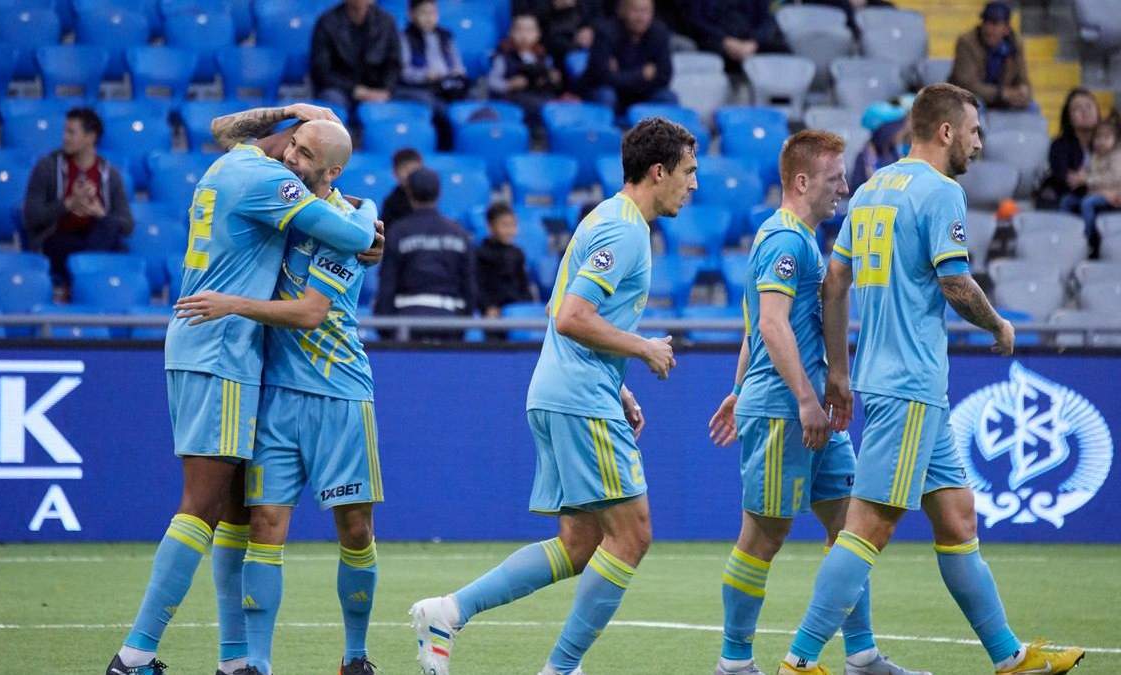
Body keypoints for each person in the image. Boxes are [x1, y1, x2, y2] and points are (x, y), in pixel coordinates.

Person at [775, 83, 1085, 675]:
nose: (978, 143)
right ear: (946, 132)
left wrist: (840, 369)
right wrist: (998, 324)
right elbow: (955, 283)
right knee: (867, 529)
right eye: (973, 131)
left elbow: (834, 285)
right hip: (909, 384)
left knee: (957, 517)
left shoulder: (871, 188)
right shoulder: (942, 191)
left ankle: (1009, 657)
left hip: (902, 384)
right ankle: (800, 661)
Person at [409, 117, 695, 675]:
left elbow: (557, 308)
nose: (694, 184)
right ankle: (560, 669)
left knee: (579, 543)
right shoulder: (625, 231)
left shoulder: (604, 218)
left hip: (567, 391)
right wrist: (641, 348)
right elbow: (570, 317)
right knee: (632, 535)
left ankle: (448, 611)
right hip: (578, 398)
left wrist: (618, 383)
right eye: (688, 171)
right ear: (659, 171)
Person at [105, 107, 380, 675]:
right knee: (203, 505)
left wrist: (351, 205)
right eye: (293, 143)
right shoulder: (270, 183)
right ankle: (135, 655)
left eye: (305, 151)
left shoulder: (233, 164)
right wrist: (368, 215)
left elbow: (226, 130)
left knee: (234, 509)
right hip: (221, 349)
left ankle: (237, 661)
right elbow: (354, 235)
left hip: (224, 352)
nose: (291, 156)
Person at [706, 130, 928, 675]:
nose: (844, 189)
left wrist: (739, 388)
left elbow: (756, 330)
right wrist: (805, 399)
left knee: (850, 529)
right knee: (764, 536)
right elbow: (771, 325)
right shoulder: (785, 240)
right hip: (786, 411)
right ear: (802, 181)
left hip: (806, 411)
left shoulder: (799, 239)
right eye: (835, 179)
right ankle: (733, 662)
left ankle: (863, 656)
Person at [23, 107, 133, 284]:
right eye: (65, 131)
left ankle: (83, 279)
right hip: (58, 238)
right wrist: (68, 204)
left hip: (97, 239)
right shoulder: (47, 167)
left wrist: (100, 213)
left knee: (111, 232)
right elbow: (31, 217)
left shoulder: (110, 174)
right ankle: (88, 280)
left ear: (90, 137)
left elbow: (127, 225)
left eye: (71, 132)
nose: (64, 137)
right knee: (68, 247)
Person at [374, 167, 476, 341]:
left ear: (409, 192)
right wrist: (462, 326)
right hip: (450, 322)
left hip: (406, 322)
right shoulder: (459, 233)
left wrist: (386, 331)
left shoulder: (398, 231)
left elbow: (387, 285)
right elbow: (470, 287)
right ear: (439, 193)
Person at [580, 0, 676, 114]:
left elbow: (664, 76)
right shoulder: (605, 32)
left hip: (642, 93)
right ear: (622, 11)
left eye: (646, 11)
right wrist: (641, 74)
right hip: (609, 91)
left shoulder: (659, 32)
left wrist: (620, 75)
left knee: (668, 97)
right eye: (635, 11)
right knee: (607, 95)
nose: (641, 17)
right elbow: (601, 77)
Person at [311, 0, 402, 110]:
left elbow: (394, 64)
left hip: (376, 89)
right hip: (340, 89)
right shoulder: (327, 22)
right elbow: (321, 71)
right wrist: (354, 90)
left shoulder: (386, 21)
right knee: (333, 101)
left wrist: (386, 90)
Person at [949, 1, 1033, 111]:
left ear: (1006, 29)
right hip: (970, 100)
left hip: (1003, 101)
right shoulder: (966, 42)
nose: (988, 29)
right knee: (975, 107)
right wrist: (1002, 93)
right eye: (985, 22)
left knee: (1032, 107)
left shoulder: (1015, 44)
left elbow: (1023, 79)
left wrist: (1023, 92)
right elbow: (967, 85)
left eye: (994, 24)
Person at [487, 14, 564, 129]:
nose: (524, 35)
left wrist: (552, 79)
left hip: (541, 96)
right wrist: (509, 85)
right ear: (511, 33)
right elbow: (492, 81)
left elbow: (551, 77)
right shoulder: (504, 57)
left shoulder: (543, 57)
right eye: (519, 30)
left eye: (529, 30)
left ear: (538, 34)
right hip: (514, 99)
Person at [673, 0, 787, 74]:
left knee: (781, 51)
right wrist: (725, 41)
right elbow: (696, 21)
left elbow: (767, 20)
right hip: (715, 40)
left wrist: (754, 43)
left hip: (751, 43)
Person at [477, 201, 536, 338]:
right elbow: (478, 286)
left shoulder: (517, 254)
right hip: (493, 314)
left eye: (513, 225)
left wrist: (525, 307)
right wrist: (487, 307)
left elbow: (524, 286)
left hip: (517, 311)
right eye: (504, 225)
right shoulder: (480, 254)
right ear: (490, 227)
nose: (510, 230)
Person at [1038, 88, 1103, 210]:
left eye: (1089, 106)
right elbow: (1066, 177)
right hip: (1070, 195)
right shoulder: (1059, 145)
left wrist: (1088, 178)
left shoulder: (1112, 142)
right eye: (1077, 108)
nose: (1085, 111)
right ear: (1069, 117)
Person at [397, 0, 469, 108]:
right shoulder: (404, 38)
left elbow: (458, 65)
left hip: (446, 83)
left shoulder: (446, 36)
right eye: (423, 13)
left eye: (432, 13)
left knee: (473, 96)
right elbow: (404, 72)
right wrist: (425, 75)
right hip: (420, 87)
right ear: (411, 14)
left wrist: (457, 72)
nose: (429, 17)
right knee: (437, 105)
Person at [1073, 115, 1121, 257]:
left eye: (1106, 137)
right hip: (1096, 191)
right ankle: (1070, 234)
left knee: (1087, 203)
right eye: (1098, 137)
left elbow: (1114, 177)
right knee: (1067, 201)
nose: (1101, 141)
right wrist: (1080, 175)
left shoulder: (1117, 156)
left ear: (1115, 140)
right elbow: (1089, 172)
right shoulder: (1095, 156)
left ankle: (1089, 239)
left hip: (1113, 194)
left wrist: (1088, 180)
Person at [514, 0, 604, 71]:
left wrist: (589, 29)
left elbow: (597, 19)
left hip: (580, 47)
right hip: (552, 46)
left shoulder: (583, 10)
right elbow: (530, 19)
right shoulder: (543, 10)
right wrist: (554, 6)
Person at [381, 147, 423, 229]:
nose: (410, 175)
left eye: (414, 170)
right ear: (395, 172)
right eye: (406, 169)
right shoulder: (391, 203)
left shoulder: (427, 195)